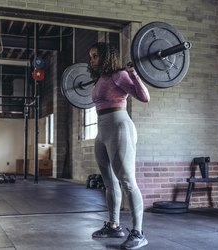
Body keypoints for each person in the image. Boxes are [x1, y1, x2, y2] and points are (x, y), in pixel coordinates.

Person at [88, 42, 150, 250]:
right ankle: (114, 225)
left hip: (119, 126)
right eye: (91, 56)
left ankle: (138, 232)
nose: (92, 60)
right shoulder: (102, 78)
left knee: (127, 181)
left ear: (106, 57)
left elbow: (144, 97)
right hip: (102, 130)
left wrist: (134, 74)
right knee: (109, 181)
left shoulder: (119, 74)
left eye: (95, 56)